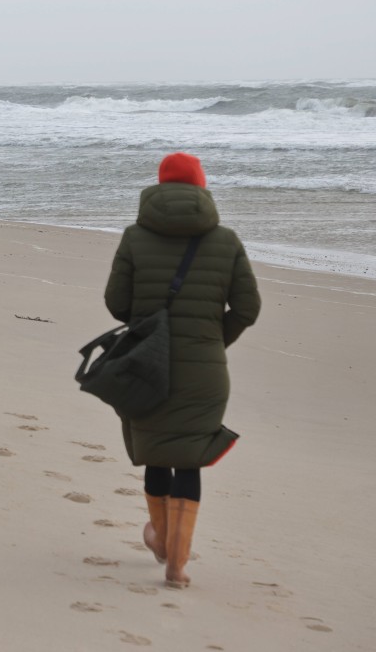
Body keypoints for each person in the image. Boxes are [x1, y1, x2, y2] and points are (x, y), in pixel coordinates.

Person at [103, 152, 260, 589]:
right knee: (190, 457)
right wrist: (212, 340)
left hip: (147, 363)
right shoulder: (226, 240)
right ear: (201, 188)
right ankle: (178, 564)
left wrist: (149, 325)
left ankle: (161, 541)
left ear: (158, 188)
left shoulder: (135, 237)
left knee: (157, 451)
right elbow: (248, 307)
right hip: (205, 370)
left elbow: (117, 303)